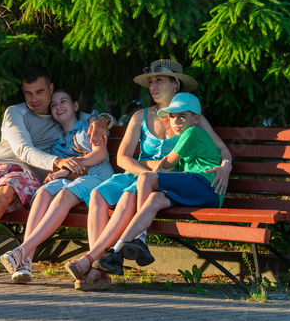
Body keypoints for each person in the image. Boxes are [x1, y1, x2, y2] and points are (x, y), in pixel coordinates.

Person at [0, 65, 114, 282]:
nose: (34, 99)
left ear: (51, 89)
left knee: (7, 190)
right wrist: (58, 162)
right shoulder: (15, 113)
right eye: (28, 93)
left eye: (40, 92)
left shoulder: (60, 115)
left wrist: (103, 119)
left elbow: (97, 118)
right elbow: (23, 149)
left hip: (25, 173)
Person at [64, 59, 232, 290]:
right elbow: (123, 158)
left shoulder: (191, 117)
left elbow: (221, 149)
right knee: (97, 195)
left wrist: (226, 166)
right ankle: (101, 268)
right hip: (142, 175)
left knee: (127, 198)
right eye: (151, 82)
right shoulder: (140, 116)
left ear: (175, 84)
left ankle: (94, 266)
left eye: (159, 80)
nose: (153, 86)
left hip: (168, 181)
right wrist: (146, 172)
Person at [95, 92, 226, 274]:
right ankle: (116, 253)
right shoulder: (187, 134)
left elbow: (165, 166)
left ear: (196, 119)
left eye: (182, 116)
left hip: (206, 185)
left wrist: (136, 166)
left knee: (146, 178)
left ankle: (141, 237)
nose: (176, 122)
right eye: (172, 117)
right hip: (194, 188)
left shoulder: (192, 133)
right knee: (155, 200)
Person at [0, 89, 114, 284]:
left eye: (63, 101)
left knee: (62, 196)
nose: (59, 106)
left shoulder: (88, 126)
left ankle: (22, 251)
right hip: (75, 181)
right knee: (43, 192)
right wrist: (56, 175)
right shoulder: (58, 144)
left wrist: (68, 171)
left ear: (75, 106)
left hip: (98, 177)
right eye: (53, 105)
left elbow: (99, 155)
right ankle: (26, 262)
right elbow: (65, 171)